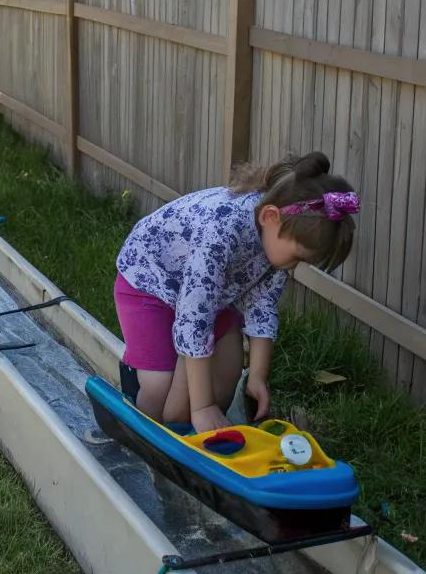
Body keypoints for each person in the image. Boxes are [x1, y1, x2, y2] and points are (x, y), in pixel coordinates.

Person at [114, 152, 358, 434]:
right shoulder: (222, 231)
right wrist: (202, 407)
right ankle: (139, 433)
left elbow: (262, 305)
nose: (294, 266)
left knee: (228, 368)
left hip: (206, 296)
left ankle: (188, 427)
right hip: (148, 283)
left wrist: (256, 376)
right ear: (270, 216)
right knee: (158, 387)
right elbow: (195, 317)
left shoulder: (275, 238)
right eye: (297, 257)